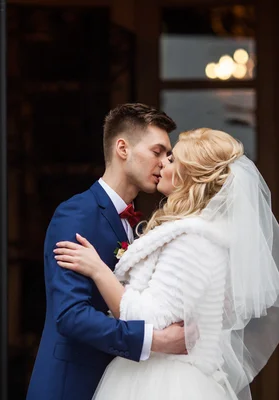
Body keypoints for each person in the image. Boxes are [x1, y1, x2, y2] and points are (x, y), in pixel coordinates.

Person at [54, 128, 279, 400]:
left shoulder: (194, 240)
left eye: (173, 159)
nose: (163, 162)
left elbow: (148, 318)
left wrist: (97, 270)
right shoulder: (199, 234)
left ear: (191, 178)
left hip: (163, 383)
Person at [27, 104, 190, 400]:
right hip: (72, 387)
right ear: (123, 148)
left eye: (168, 155)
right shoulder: (76, 214)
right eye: (157, 151)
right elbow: (71, 315)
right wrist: (155, 340)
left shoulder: (141, 224)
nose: (165, 162)